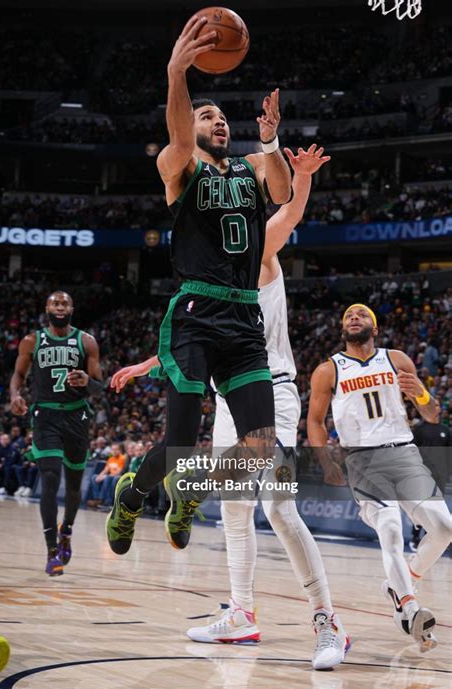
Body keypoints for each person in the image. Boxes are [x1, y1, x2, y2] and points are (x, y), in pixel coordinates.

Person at [112, 146, 350, 670]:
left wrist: (299, 175)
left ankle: (327, 622)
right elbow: (199, 336)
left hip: (276, 388)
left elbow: (288, 212)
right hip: (227, 392)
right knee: (237, 511)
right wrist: (152, 362)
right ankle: (242, 613)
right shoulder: (212, 271)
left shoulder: (258, 249)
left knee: (277, 505)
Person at [105, 13, 292, 555]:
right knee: (180, 443)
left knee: (261, 448)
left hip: (243, 315)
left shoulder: (252, 166)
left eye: (222, 118)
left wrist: (272, 139)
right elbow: (179, 136)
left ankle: (187, 493)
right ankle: (132, 496)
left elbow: (280, 191)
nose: (219, 123)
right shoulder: (179, 167)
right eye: (208, 116)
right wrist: (176, 75)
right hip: (194, 313)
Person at [307, 304, 451, 653]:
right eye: (347, 316)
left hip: (404, 452)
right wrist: (325, 460)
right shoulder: (328, 370)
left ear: (375, 326)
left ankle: (406, 579)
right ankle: (408, 606)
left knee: (445, 528)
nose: (354, 317)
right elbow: (315, 421)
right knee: (389, 528)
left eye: (361, 314)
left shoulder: (398, 359)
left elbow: (432, 415)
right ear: (343, 329)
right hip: (362, 459)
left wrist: (421, 392)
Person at [10, 291, 103, 576]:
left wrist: (88, 380)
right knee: (49, 478)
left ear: (72, 308)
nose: (59, 307)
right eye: (55, 303)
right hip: (45, 415)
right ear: (47, 308)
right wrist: (14, 395)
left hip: (77, 415)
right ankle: (51, 550)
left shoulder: (86, 341)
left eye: (64, 303)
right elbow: (18, 375)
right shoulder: (32, 341)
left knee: (74, 485)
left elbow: (100, 387)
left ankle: (67, 530)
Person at [410, 398, 451, 551]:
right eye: (431, 405)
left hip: (440, 476)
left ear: (440, 408)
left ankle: (432, 542)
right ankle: (415, 537)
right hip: (422, 475)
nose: (434, 407)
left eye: (436, 405)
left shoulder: (445, 431)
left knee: (436, 509)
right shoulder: (419, 429)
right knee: (422, 508)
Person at [86, 442, 126, 508]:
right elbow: (105, 470)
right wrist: (99, 476)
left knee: (107, 477)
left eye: (116, 449)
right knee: (94, 477)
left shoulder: (122, 458)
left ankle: (103, 500)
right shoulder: (111, 459)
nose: (114, 451)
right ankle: (97, 498)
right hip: (109, 476)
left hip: (118, 476)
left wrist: (105, 476)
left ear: (120, 450)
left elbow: (119, 472)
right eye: (113, 449)